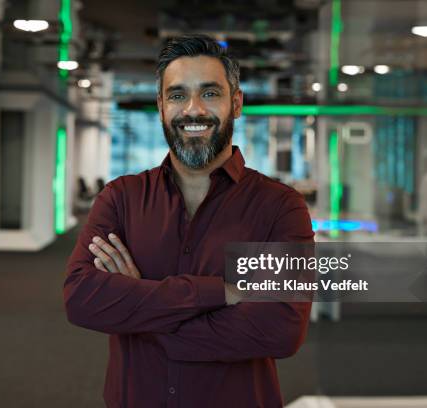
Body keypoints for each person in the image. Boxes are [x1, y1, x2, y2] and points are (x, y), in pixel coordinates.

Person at [63, 35, 314, 408]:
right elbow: (82, 299)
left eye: (210, 93)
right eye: (178, 95)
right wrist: (219, 291)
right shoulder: (121, 199)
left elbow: (280, 329)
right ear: (161, 106)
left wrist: (140, 307)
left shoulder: (280, 208)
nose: (192, 110)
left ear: (237, 103)